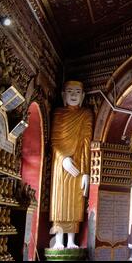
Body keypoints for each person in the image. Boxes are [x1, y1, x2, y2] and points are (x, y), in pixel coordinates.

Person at [49, 80, 93, 250]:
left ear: (82, 96)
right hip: (60, 166)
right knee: (60, 200)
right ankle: (59, 240)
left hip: (79, 166)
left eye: (77, 92)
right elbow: (54, 142)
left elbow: (86, 143)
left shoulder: (86, 114)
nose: (73, 95)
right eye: (70, 91)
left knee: (75, 201)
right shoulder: (59, 113)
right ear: (63, 95)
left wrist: (86, 172)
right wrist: (62, 158)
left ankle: (71, 241)